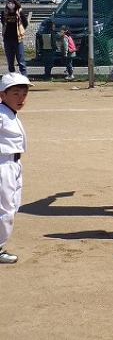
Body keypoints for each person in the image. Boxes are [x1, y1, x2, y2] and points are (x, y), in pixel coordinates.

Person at [0, 73, 33, 264]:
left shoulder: (9, 113)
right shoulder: (1, 114)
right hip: (3, 165)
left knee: (12, 205)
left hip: (13, 164)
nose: (21, 98)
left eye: (24, 94)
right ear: (2, 95)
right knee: (5, 208)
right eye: (15, 93)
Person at [1, 0, 29, 76]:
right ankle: (12, 77)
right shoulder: (4, 13)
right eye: (9, 1)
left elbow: (25, 22)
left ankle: (24, 77)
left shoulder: (19, 12)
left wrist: (21, 30)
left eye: (12, 2)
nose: (10, 3)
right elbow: (3, 22)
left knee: (21, 60)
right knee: (10, 61)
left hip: (18, 39)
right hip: (7, 39)